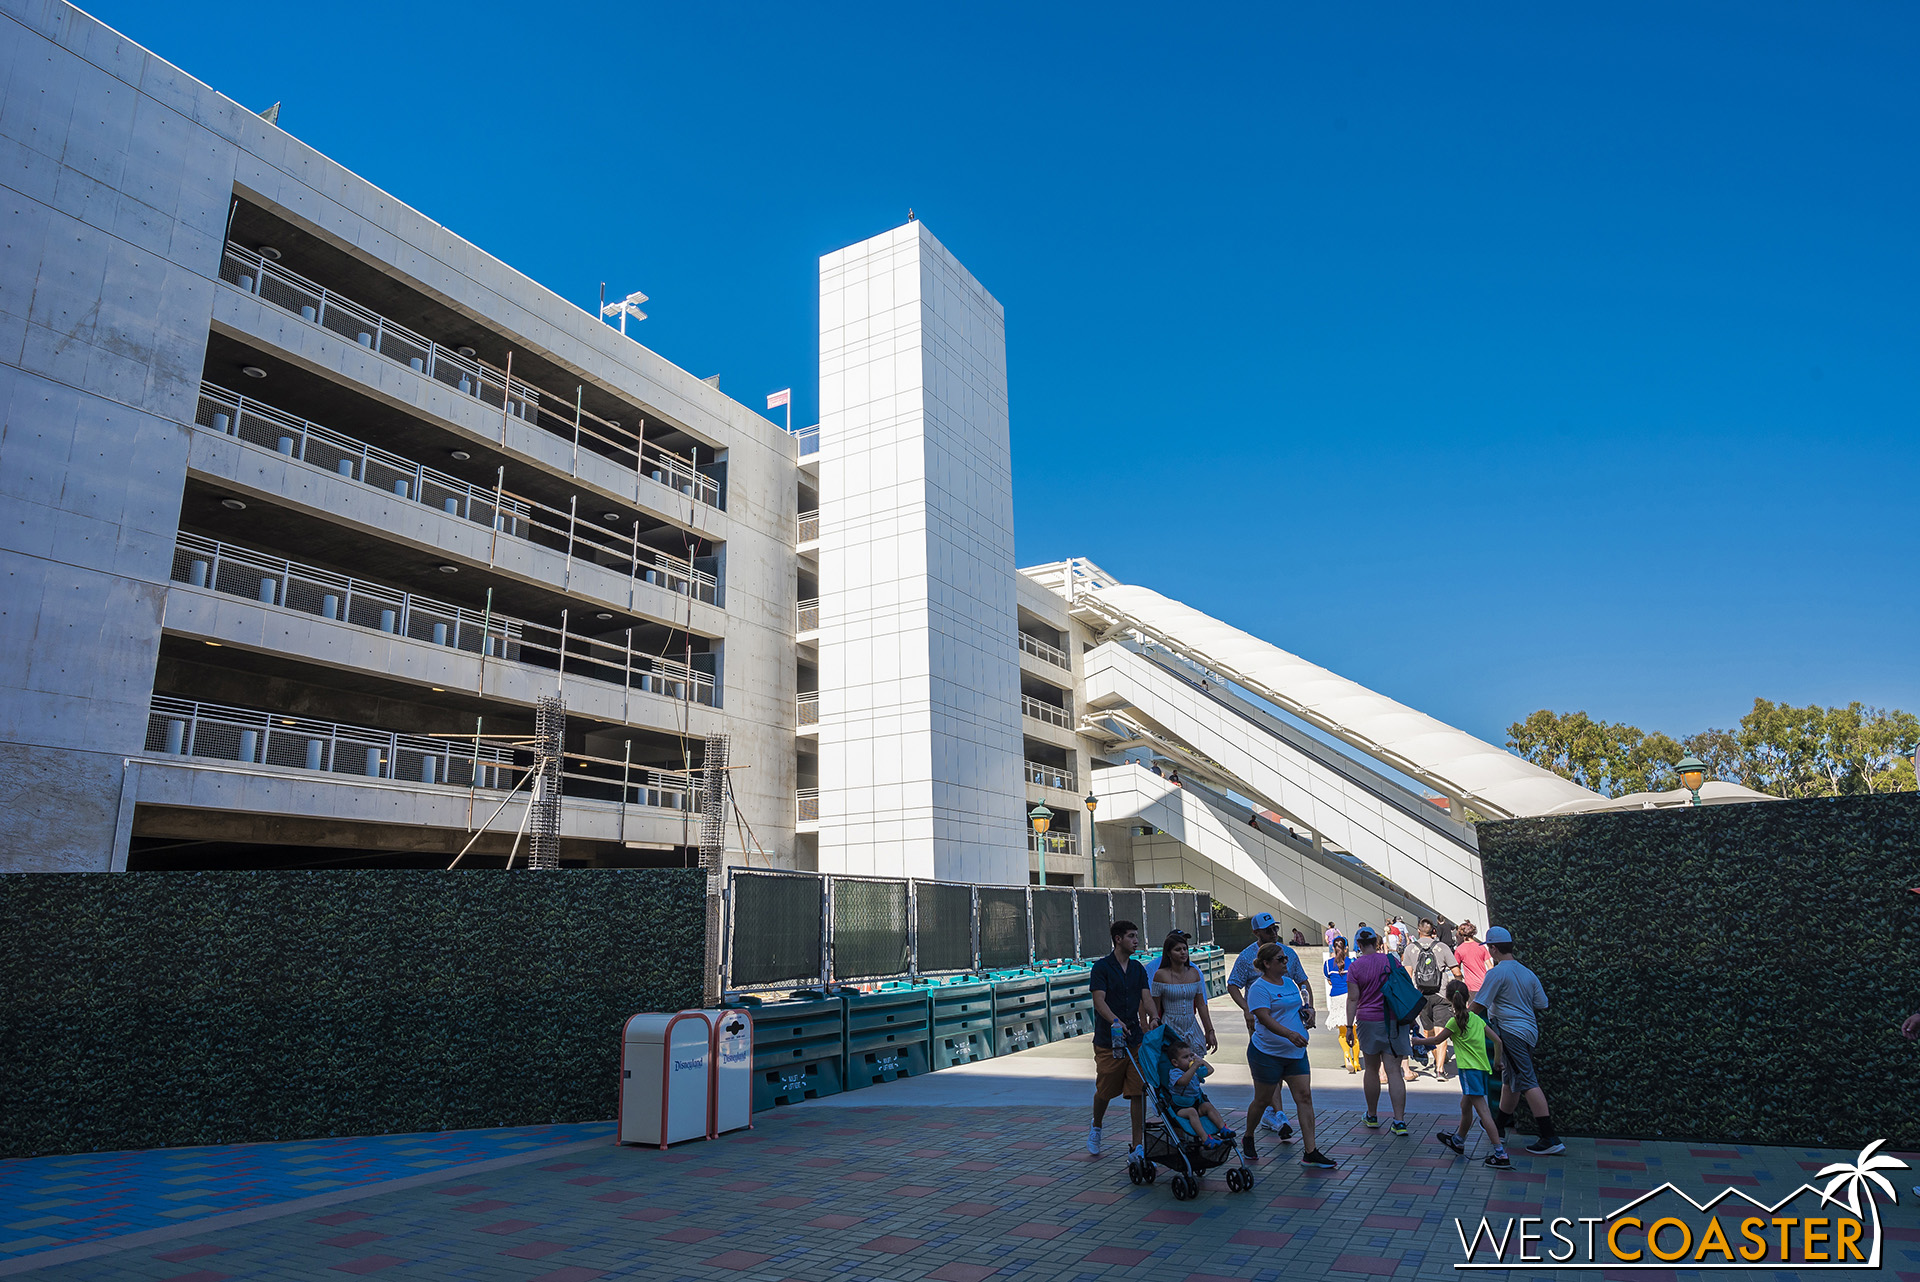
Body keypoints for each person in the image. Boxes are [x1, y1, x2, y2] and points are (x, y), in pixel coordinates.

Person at [1469, 926, 1562, 1156]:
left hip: (1510, 1032)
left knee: (1527, 1080)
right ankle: (1498, 1126)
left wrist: (1461, 1019)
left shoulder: (1497, 973)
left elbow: (1479, 1004)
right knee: (1511, 1080)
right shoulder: (1527, 972)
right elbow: (1542, 1003)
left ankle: (1549, 1136)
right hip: (1529, 1031)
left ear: (1492, 948)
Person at [1244, 943, 1336, 1169]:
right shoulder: (1259, 988)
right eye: (1280, 959)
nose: (1286, 962)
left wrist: (1308, 1014)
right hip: (1267, 1053)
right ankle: (1248, 1135)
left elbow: (1295, 1008)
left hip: (1295, 1052)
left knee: (1304, 1097)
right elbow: (1264, 1019)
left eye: (1285, 959)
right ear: (1266, 964)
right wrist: (1289, 1034)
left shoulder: (1289, 984)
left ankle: (1310, 1151)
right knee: (1263, 1100)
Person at [1226, 911, 1315, 1141]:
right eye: (1268, 930)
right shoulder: (1247, 958)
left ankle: (1282, 1119)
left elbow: (1303, 980)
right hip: (1261, 1018)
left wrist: (1309, 1006)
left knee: (1297, 1083)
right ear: (1256, 932)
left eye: (1275, 929)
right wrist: (1247, 1008)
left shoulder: (1289, 953)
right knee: (1270, 1069)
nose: (1274, 933)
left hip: (1289, 1021)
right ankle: (1276, 1113)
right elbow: (1233, 985)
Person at [1415, 978, 1510, 1167]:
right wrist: (1498, 1062)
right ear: (1468, 997)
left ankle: (1500, 1153)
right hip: (1482, 1069)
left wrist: (1416, 1042)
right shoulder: (1475, 1019)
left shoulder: (1454, 1022)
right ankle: (1458, 1140)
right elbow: (1498, 1041)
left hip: (1469, 1070)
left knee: (1483, 1112)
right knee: (1465, 1105)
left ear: (1449, 999)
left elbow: (1436, 1040)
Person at [1089, 919, 1159, 1158]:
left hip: (1135, 1039)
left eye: (1136, 936)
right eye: (1131, 936)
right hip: (1109, 1040)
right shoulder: (1101, 968)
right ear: (1118, 939)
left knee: (1138, 1090)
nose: (1136, 941)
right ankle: (1097, 1125)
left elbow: (1146, 997)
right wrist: (1114, 1021)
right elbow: (1099, 1000)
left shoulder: (1138, 968)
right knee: (1105, 1090)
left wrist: (1153, 1016)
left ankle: (1137, 1144)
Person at [1345, 927, 1411, 1136]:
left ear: (1359, 944)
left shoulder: (1355, 967)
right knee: (1394, 1071)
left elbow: (1353, 998)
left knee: (1372, 1069)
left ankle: (1372, 1116)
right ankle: (1399, 1121)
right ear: (1376, 941)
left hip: (1367, 1021)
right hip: (1393, 1020)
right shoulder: (1391, 961)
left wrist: (1349, 1026)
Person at [1402, 919, 1460, 1082]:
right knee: (1441, 1031)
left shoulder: (1410, 948)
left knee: (1428, 1031)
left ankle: (1437, 1059)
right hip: (1441, 994)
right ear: (1433, 931)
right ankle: (1440, 1069)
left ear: (1419, 931)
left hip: (1420, 996)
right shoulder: (1442, 947)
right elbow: (1456, 971)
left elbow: (1407, 975)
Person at [1150, 931, 1214, 1055]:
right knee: (1174, 1065)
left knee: (1197, 1064)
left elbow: (1201, 1005)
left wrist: (1209, 1031)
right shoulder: (1160, 975)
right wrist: (1152, 1032)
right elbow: (1155, 1008)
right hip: (1170, 1026)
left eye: (1185, 949)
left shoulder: (1194, 973)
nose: (1183, 952)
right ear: (1168, 953)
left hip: (1191, 1025)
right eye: (1178, 949)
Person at [1165, 1040, 1233, 1141]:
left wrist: (1200, 1061)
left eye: (1190, 1056)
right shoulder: (1175, 1072)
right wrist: (1194, 1067)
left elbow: (1210, 1070)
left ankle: (1223, 1128)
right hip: (1180, 1108)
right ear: (1175, 1062)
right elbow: (1183, 1081)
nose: (1189, 1059)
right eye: (1185, 1057)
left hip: (1195, 1104)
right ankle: (1205, 1138)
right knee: (1192, 1112)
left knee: (1207, 1106)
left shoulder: (1195, 1071)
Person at [1324, 935, 1359, 1072]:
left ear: (1333, 948)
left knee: (1342, 1032)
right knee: (1355, 1032)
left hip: (1337, 998)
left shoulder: (1327, 964)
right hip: (1351, 996)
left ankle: (1346, 1055)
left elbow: (1329, 980)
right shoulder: (1353, 962)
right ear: (1346, 948)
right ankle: (1356, 1062)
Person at [1454, 921, 1491, 1002]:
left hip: (1471, 986)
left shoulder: (1459, 950)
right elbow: (1490, 967)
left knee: (1474, 1012)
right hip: (1484, 985)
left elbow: (1457, 970)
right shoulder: (1482, 947)